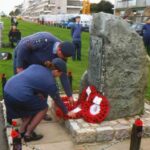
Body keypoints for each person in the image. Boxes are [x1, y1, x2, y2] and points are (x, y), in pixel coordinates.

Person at [4, 58, 76, 142]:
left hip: (8, 89)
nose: (60, 76)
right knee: (43, 107)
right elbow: (57, 99)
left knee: (34, 105)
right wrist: (67, 112)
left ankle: (22, 131)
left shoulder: (36, 66)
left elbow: (31, 81)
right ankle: (28, 134)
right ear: (56, 71)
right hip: (19, 96)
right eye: (60, 74)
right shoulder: (50, 82)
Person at [14, 32, 75, 120]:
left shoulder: (64, 54)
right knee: (22, 86)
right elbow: (23, 46)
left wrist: (69, 95)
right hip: (23, 57)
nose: (63, 59)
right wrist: (19, 67)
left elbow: (63, 74)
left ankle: (40, 111)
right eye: (63, 56)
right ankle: (24, 115)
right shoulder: (45, 40)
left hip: (40, 63)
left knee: (44, 85)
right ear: (59, 50)